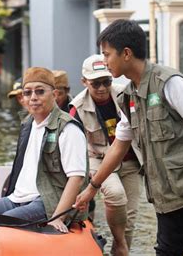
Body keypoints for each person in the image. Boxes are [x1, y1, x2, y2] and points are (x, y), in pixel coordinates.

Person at [74, 19, 183, 255]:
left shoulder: (169, 84)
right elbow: (119, 146)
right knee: (167, 250)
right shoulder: (129, 95)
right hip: (169, 193)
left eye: (107, 54)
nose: (105, 61)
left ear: (126, 53)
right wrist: (92, 188)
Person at [0, 67, 88, 233]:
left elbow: (77, 178)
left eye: (40, 92)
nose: (33, 98)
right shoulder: (27, 124)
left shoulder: (68, 128)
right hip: (16, 198)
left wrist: (58, 217)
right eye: (27, 93)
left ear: (54, 95)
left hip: (47, 202)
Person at [69, 54, 143, 255]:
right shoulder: (76, 109)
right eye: (95, 83)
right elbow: (72, 146)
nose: (102, 88)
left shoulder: (125, 95)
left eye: (106, 81)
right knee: (116, 195)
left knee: (131, 217)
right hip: (97, 160)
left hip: (130, 161)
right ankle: (119, 243)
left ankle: (119, 251)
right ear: (84, 82)